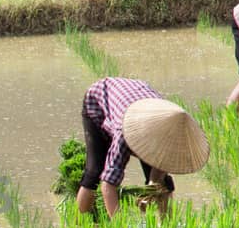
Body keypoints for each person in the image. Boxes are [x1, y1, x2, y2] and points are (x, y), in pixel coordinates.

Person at [77, 77, 210, 220]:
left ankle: (166, 226)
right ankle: (79, 222)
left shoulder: (171, 130)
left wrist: (152, 187)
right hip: (99, 101)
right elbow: (108, 184)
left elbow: (160, 175)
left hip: (137, 97)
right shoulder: (125, 133)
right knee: (94, 172)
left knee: (162, 184)